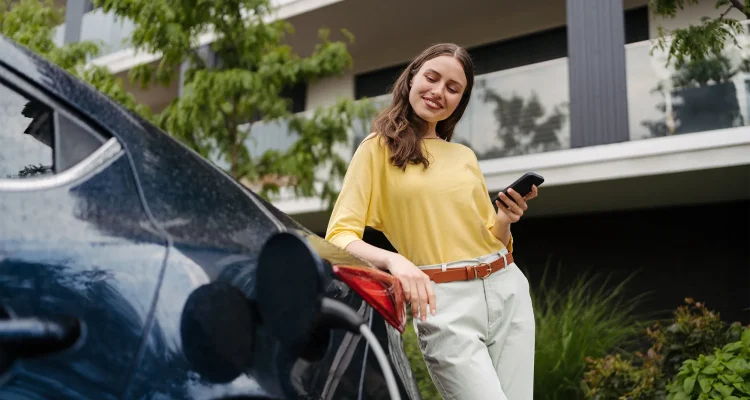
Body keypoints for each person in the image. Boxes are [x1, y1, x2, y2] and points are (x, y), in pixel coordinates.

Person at [324, 43, 538, 400]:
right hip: (446, 305)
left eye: (453, 89)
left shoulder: (464, 156)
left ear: (460, 102)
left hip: (507, 287)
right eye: (432, 78)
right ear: (411, 78)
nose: (439, 92)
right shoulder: (377, 150)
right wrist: (396, 261)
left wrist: (504, 218)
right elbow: (339, 237)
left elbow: (493, 240)